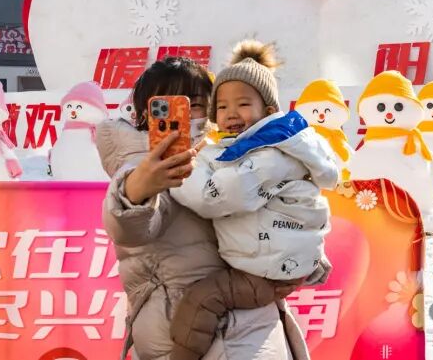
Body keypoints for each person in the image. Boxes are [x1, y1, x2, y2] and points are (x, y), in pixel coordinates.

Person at [97, 55, 310, 360]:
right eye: (167, 103)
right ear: (146, 113)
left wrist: (300, 246)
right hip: (178, 322)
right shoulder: (140, 165)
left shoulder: (234, 149)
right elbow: (130, 232)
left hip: (252, 316)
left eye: (194, 104)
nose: (185, 114)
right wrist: (137, 189)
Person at [169, 41, 338, 359]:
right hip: (281, 261)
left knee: (202, 300)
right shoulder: (278, 144)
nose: (231, 113)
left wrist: (177, 172)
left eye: (243, 104)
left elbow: (212, 197)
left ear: (269, 111)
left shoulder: (270, 155)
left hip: (263, 271)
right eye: (222, 107)